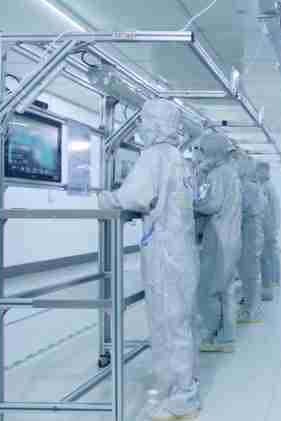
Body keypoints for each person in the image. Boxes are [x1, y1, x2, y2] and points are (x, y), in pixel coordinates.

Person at [98, 99, 201, 420]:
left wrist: (107, 198)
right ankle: (182, 386)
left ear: (155, 123)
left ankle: (180, 397)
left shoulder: (154, 156)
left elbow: (134, 196)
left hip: (164, 253)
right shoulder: (178, 158)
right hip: (181, 252)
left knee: (167, 325)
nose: (141, 127)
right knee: (180, 323)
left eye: (143, 121)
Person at [195, 133, 242, 353]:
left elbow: (212, 205)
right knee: (226, 289)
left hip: (219, 238)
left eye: (202, 151)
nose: (201, 156)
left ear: (211, 151)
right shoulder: (231, 173)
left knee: (209, 288)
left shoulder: (218, 174)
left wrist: (190, 205)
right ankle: (227, 337)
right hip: (231, 237)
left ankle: (211, 335)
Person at [236, 156, 266, 324]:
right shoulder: (248, 186)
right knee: (247, 271)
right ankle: (249, 306)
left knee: (249, 272)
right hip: (248, 229)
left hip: (250, 230)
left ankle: (251, 310)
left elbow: (242, 207)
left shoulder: (249, 187)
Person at [258, 161, 281, 300]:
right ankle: (273, 279)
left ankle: (274, 279)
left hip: (269, 226)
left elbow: (275, 209)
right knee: (269, 254)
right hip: (265, 226)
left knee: (270, 255)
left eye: (260, 170)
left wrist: (275, 227)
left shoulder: (268, 187)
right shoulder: (262, 185)